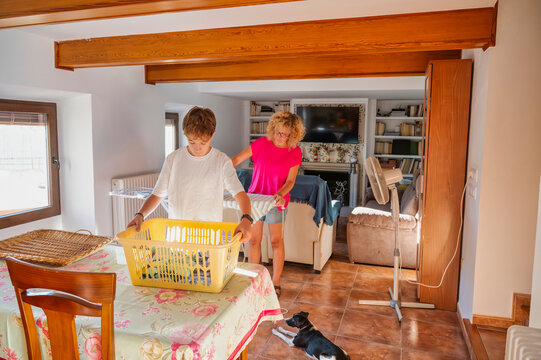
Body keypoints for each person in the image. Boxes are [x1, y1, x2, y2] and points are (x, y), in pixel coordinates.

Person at [127, 107, 252, 243]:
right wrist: (140, 214)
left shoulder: (222, 161)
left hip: (208, 239)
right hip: (178, 237)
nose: (197, 148)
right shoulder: (173, 159)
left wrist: (246, 219)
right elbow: (157, 194)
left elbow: (240, 194)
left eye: (203, 143)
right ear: (185, 135)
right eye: (192, 141)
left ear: (212, 135)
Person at [232, 111, 305, 297]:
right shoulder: (261, 144)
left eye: (287, 134)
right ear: (273, 129)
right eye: (280, 132)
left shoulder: (295, 152)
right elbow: (235, 161)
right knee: (254, 240)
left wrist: (280, 193)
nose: (282, 137)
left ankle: (276, 282)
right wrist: (218, 168)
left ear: (293, 135)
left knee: (276, 242)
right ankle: (252, 281)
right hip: (255, 201)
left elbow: (290, 181)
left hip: (275, 202)